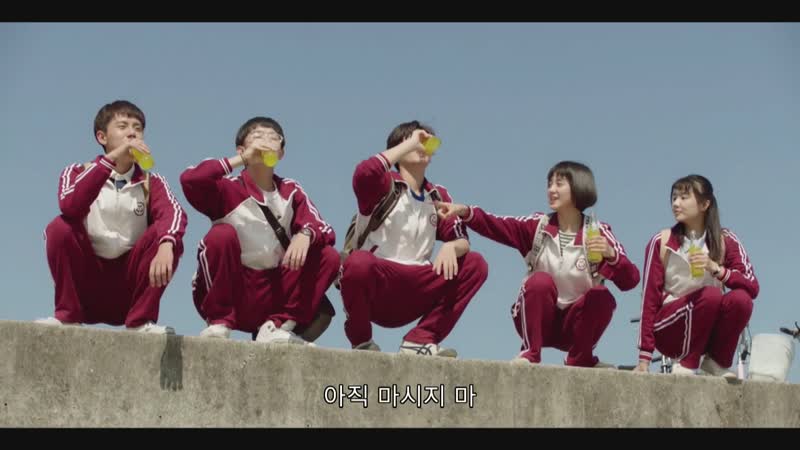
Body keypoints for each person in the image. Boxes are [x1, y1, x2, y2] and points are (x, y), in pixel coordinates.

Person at [437, 161, 640, 367]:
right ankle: (530, 353)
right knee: (539, 281)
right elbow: (496, 224)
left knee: (601, 296)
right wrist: (464, 211)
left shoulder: (598, 232)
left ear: (578, 187)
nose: (551, 190)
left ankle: (580, 358)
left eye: (559, 184)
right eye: (549, 184)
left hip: (575, 325)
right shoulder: (538, 226)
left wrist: (611, 254)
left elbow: (631, 281)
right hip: (538, 319)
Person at [180, 116, 338, 345]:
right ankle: (219, 322)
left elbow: (323, 228)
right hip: (232, 289)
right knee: (220, 235)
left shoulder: (291, 190)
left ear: (281, 153)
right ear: (241, 149)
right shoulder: (227, 188)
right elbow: (190, 180)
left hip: (271, 294)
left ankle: (277, 326)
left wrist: (305, 234)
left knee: (328, 255)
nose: (266, 141)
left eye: (273, 137)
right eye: (257, 136)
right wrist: (242, 159)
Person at [338, 120, 488, 357]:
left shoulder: (436, 195)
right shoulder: (384, 184)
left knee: (475, 263)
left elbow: (461, 238)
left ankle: (420, 340)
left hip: (416, 287)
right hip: (379, 287)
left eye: (430, 143)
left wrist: (452, 246)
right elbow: (363, 174)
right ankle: (362, 341)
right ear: (400, 147)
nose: (424, 146)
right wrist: (408, 145)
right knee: (357, 262)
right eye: (419, 140)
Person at [39, 100, 187, 334]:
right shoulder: (77, 171)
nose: (132, 133)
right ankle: (67, 317)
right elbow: (70, 206)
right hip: (87, 288)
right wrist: (111, 160)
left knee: (168, 237)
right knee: (59, 227)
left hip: (127, 290)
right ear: (102, 137)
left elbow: (174, 213)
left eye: (138, 128)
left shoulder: (152, 182)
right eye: (123, 126)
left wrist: (167, 243)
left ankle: (140, 322)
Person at [634, 175, 759, 377]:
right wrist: (644, 359)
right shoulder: (662, 241)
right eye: (674, 198)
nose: (676, 203)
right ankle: (688, 362)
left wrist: (717, 269)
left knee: (741, 299)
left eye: (684, 198)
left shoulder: (724, 240)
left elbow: (752, 286)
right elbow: (649, 300)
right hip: (670, 328)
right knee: (710, 295)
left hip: (706, 328)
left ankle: (716, 362)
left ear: (704, 204)